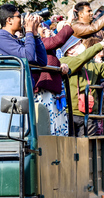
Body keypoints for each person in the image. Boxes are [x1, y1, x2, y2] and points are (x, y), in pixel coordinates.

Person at [59, 34, 104, 136]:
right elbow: (80, 60)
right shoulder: (64, 61)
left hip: (90, 114)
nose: (82, 45)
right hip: (70, 114)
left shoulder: (92, 64)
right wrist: (103, 43)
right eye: (78, 44)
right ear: (70, 50)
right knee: (70, 148)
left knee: (86, 148)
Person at [32, 8, 75, 136]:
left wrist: (62, 66)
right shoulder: (35, 42)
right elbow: (58, 40)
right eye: (40, 27)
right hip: (42, 93)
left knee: (58, 126)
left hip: (53, 94)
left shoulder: (48, 47)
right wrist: (70, 21)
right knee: (47, 127)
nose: (45, 28)